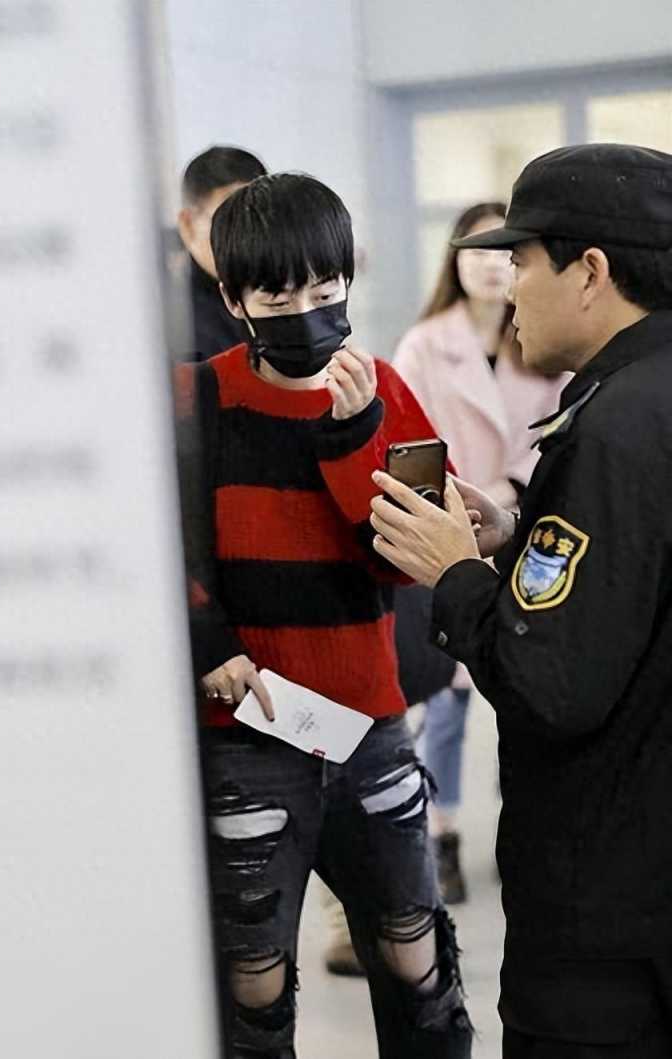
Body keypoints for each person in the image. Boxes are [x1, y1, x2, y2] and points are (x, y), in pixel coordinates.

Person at [369, 142, 672, 1057]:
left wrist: (456, 577)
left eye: (523, 262)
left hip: (604, 927)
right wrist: (521, 527)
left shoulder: (613, 426)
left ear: (591, 272)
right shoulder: (646, 398)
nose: (509, 291)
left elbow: (551, 682)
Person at [179, 172, 472, 1058]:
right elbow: (160, 543)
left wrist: (352, 435)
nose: (306, 312)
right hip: (246, 730)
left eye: (323, 288)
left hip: (369, 726)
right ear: (234, 299)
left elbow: (411, 556)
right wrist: (209, 640)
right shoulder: (196, 399)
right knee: (253, 978)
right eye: (277, 297)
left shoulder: (388, 391)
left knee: (417, 959)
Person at [391, 202, 566, 904]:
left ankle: (522, 827)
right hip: (450, 527)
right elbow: (407, 437)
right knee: (446, 697)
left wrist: (511, 488)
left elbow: (561, 425)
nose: (491, 265)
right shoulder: (425, 343)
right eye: (475, 251)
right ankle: (443, 835)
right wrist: (464, 493)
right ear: (453, 261)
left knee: (525, 689)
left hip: (524, 522)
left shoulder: (540, 338)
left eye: (503, 252)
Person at [177, 145, 266, 360]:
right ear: (188, 226)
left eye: (258, 218)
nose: (247, 236)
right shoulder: (178, 324)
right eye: (228, 220)